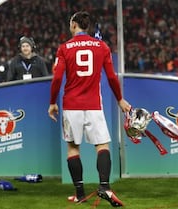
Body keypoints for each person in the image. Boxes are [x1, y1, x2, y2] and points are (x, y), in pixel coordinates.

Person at [48, 11, 131, 207]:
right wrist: (119, 99)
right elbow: (111, 77)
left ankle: (80, 194)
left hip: (71, 105)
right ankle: (104, 187)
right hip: (94, 105)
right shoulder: (102, 46)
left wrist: (52, 102)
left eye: (70, 22)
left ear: (75, 24)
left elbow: (57, 78)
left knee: (72, 147)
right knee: (102, 146)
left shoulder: (64, 48)